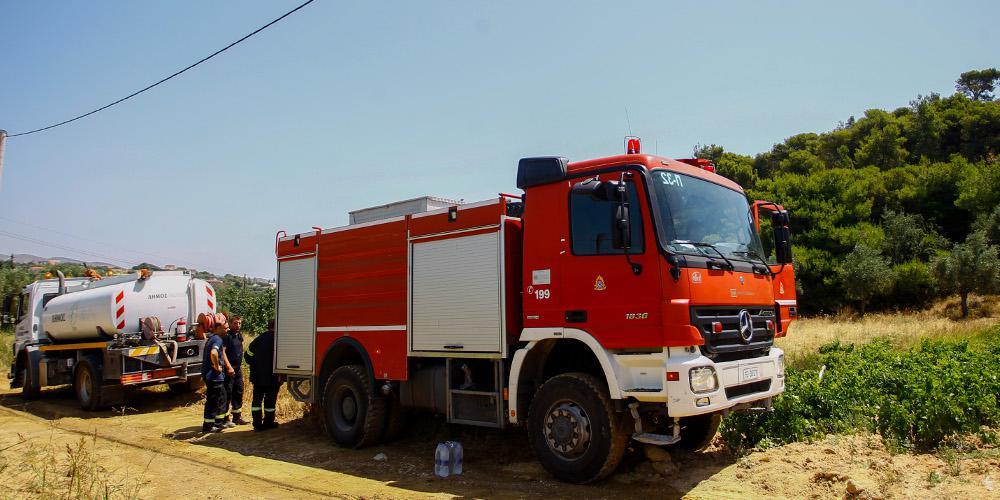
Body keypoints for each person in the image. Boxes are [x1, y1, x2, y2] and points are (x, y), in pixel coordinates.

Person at [245, 319, 281, 431]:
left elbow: (247, 356)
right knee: (270, 401)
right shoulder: (279, 341)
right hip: (273, 377)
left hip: (258, 376)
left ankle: (257, 424)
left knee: (257, 400)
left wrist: (256, 365)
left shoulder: (258, 340)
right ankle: (268, 422)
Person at [201, 314, 230, 433]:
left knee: (220, 399)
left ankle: (217, 423)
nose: (227, 330)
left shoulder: (212, 338)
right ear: (218, 328)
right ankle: (209, 426)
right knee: (214, 401)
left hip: (214, 377)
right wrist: (216, 366)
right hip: (214, 377)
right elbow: (214, 353)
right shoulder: (217, 339)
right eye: (225, 328)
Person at [222, 315, 248, 426]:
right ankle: (225, 418)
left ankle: (237, 417)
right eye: (235, 323)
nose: (238, 325)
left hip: (237, 369)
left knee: (238, 391)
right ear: (230, 323)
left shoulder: (238, 336)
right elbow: (222, 353)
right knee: (228, 392)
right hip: (229, 370)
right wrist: (228, 367)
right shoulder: (227, 337)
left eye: (239, 323)